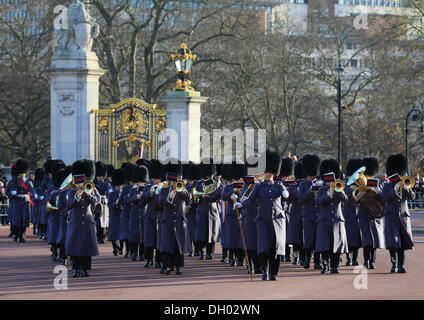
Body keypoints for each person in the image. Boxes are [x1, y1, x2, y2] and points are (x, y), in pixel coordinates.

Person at [235, 149, 289, 281]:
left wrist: (285, 194)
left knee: (276, 248)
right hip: (263, 220)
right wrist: (241, 204)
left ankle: (273, 273)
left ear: (273, 172)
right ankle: (264, 270)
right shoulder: (258, 187)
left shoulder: (278, 185)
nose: (268, 174)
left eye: (270, 172)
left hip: (277, 220)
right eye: (266, 171)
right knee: (264, 247)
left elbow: (284, 193)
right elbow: (251, 199)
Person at [65, 159, 101, 278]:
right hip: (75, 221)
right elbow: (68, 205)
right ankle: (75, 269)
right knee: (75, 246)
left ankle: (85, 269)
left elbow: (97, 200)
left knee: (87, 247)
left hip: (87, 221)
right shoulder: (71, 190)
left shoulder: (91, 187)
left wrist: (88, 194)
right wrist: (76, 197)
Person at [381, 154, 415, 273]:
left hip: (403, 217)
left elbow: (412, 196)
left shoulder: (405, 184)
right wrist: (395, 190)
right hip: (391, 216)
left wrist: (406, 188)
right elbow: (384, 198)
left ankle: (400, 265)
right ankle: (394, 264)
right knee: (393, 242)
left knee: (402, 242)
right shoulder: (387, 186)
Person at [157, 160, 191, 275]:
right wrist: (169, 197)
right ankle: (166, 265)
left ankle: (177, 266)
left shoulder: (181, 188)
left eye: (174, 180)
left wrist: (181, 190)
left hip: (179, 220)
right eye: (170, 180)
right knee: (167, 245)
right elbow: (159, 204)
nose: (172, 182)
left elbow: (188, 198)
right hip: (167, 221)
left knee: (178, 245)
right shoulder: (164, 189)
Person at [315, 159, 348, 274]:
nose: (330, 183)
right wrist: (328, 193)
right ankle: (325, 265)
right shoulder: (322, 190)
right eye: (329, 181)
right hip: (324, 220)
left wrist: (338, 190)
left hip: (337, 220)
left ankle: (334, 266)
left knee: (337, 244)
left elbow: (345, 199)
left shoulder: (339, 189)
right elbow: (318, 201)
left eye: (332, 181)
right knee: (325, 245)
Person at [358, 157, 385, 269]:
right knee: (367, 239)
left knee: (375, 238)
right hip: (364, 213)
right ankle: (366, 260)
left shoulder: (377, 183)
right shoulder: (359, 184)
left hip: (375, 214)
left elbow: (382, 197)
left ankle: (372, 261)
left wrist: (377, 190)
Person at [194, 159, 222, 260]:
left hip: (212, 210)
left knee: (212, 233)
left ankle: (209, 252)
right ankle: (201, 252)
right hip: (202, 209)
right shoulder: (199, 184)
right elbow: (196, 195)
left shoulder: (216, 183)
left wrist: (209, 196)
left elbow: (217, 196)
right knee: (201, 234)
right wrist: (202, 196)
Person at [298, 154, 322, 270]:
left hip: (319, 214)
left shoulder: (321, 183)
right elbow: (301, 198)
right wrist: (311, 190)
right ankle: (307, 260)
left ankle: (317, 262)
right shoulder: (303, 184)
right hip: (307, 215)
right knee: (308, 239)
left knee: (318, 239)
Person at [222, 162, 246, 267]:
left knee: (241, 238)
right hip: (231, 215)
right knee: (232, 238)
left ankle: (241, 259)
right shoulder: (228, 187)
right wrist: (232, 192)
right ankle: (232, 258)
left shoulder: (245, 186)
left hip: (242, 214)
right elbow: (223, 196)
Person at [6, 159, 35, 242]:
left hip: (25, 203)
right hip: (16, 202)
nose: (23, 174)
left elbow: (31, 189)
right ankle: (17, 234)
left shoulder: (28, 182)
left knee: (25, 220)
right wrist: (12, 194)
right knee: (17, 220)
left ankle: (22, 234)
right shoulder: (12, 182)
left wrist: (34, 194)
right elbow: (7, 193)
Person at [141, 159, 163, 268]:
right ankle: (149, 259)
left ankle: (159, 260)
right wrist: (150, 192)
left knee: (159, 240)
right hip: (150, 215)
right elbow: (143, 199)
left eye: (158, 179)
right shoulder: (148, 185)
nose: (157, 181)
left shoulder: (163, 185)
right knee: (149, 240)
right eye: (155, 178)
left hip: (159, 215)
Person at [126, 164, 149, 261]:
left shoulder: (148, 189)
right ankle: (134, 253)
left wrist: (144, 196)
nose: (140, 183)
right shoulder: (132, 190)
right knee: (134, 235)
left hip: (144, 215)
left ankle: (142, 254)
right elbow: (127, 200)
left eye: (142, 181)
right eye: (139, 181)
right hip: (135, 215)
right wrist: (136, 197)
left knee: (143, 236)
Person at [286, 161, 306, 266]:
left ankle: (303, 258)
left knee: (304, 237)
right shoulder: (292, 187)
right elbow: (288, 199)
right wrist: (297, 191)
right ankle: (295, 256)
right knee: (295, 238)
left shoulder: (307, 185)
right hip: (295, 214)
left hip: (305, 213)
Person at [343, 158, 362, 266]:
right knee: (349, 238)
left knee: (357, 240)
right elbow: (344, 195)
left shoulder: (361, 184)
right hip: (348, 213)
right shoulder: (346, 184)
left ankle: (355, 259)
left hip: (358, 214)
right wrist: (351, 189)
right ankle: (348, 258)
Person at [278, 157, 294, 262]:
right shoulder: (278, 183)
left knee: (289, 234)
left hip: (290, 211)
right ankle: (282, 254)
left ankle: (288, 255)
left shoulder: (292, 183)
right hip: (280, 211)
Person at [119, 162, 136, 258]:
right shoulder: (125, 188)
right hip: (126, 211)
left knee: (133, 233)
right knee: (126, 233)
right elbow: (122, 198)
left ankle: (133, 251)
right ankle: (128, 250)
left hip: (134, 212)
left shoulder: (137, 187)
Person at [107, 168, 124, 256]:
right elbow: (110, 204)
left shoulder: (123, 191)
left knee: (121, 232)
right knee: (114, 233)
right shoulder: (112, 192)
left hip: (121, 214)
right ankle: (115, 248)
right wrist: (117, 203)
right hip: (114, 214)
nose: (119, 186)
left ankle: (120, 248)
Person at [94, 161, 109, 244]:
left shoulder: (106, 184)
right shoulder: (93, 184)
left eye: (101, 176)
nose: (100, 177)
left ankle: (101, 237)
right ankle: (97, 236)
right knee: (96, 221)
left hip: (103, 203)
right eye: (98, 176)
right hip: (96, 203)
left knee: (102, 221)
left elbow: (109, 193)